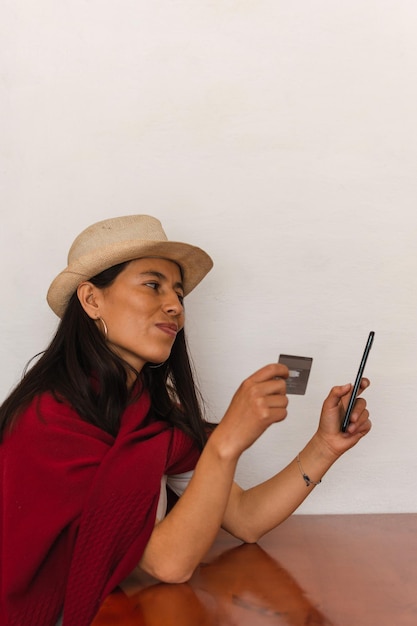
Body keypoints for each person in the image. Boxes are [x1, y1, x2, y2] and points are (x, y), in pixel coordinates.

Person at [0, 215, 371, 626]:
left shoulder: (148, 413)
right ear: (91, 300)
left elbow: (246, 518)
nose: (176, 305)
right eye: (152, 285)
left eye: (178, 293)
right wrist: (227, 440)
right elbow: (168, 564)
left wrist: (324, 447)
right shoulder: (48, 420)